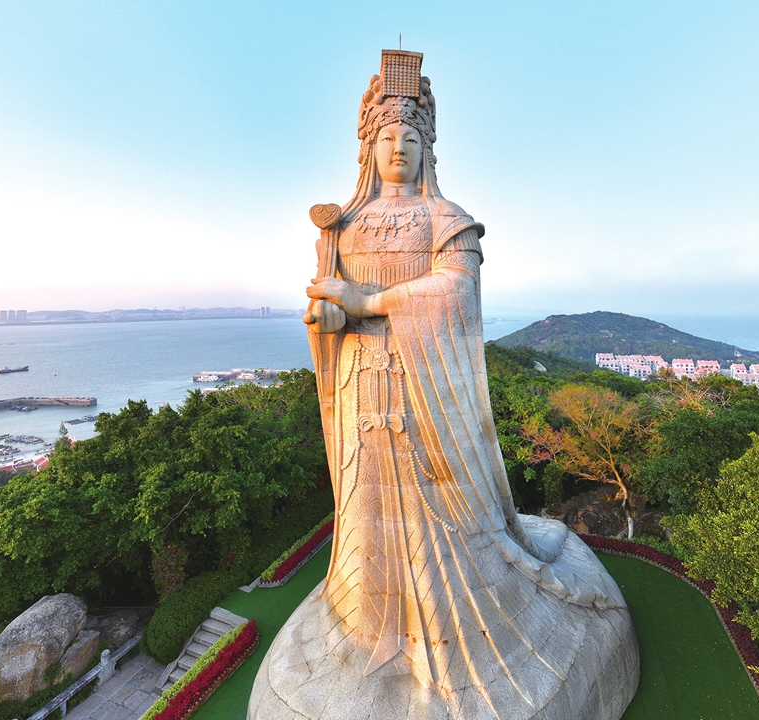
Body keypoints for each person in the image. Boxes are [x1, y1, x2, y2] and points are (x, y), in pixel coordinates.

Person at [249, 54, 638, 720]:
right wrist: (328, 313)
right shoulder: (345, 225)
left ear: (428, 147)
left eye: (411, 138)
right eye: (386, 138)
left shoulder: (445, 219)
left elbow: (455, 294)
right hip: (363, 395)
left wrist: (365, 302)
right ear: (367, 149)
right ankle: (373, 628)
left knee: (441, 518)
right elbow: (336, 309)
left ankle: (457, 636)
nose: (398, 148)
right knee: (371, 514)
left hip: (424, 396)